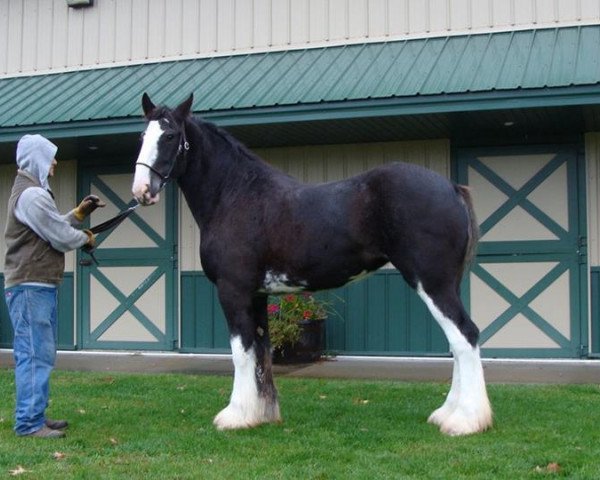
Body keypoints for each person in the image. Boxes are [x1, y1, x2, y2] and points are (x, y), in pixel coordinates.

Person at [3, 134, 105, 438]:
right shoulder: (32, 195)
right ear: (37, 159)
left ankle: (35, 416)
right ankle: (29, 424)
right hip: (30, 286)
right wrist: (84, 237)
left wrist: (78, 215)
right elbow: (58, 235)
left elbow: (51, 225)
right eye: (50, 157)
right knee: (34, 354)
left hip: (36, 285)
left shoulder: (31, 193)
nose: (55, 163)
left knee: (39, 354)